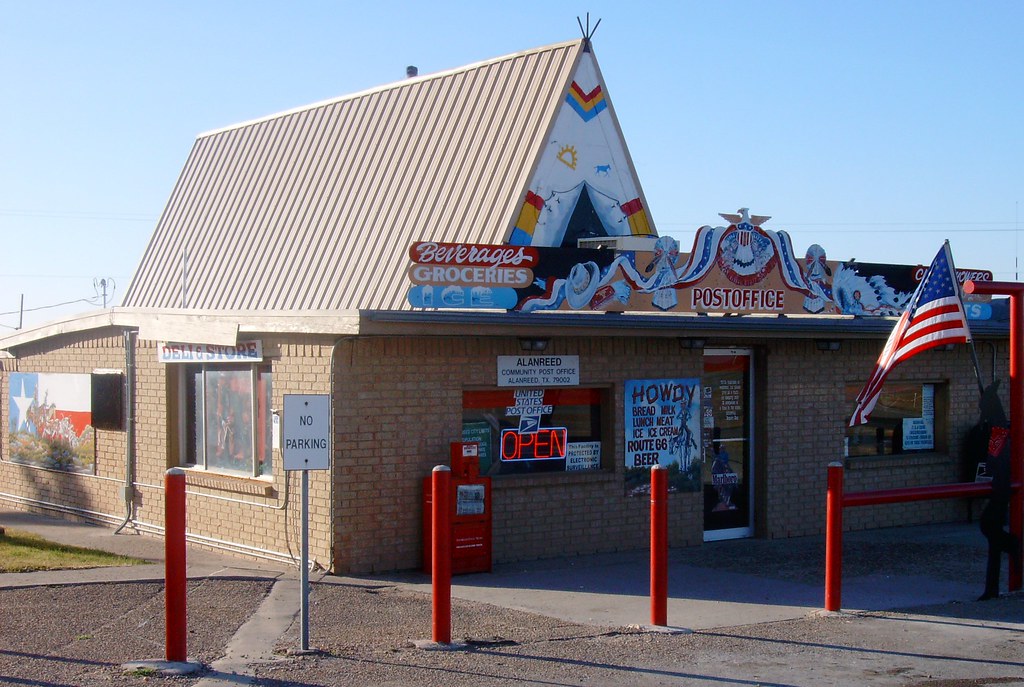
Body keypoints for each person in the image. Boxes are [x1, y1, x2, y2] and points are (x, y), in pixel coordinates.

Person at [976, 383, 1020, 601]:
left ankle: (1015, 547)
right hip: (1000, 485)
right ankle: (991, 587)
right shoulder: (999, 429)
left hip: (1000, 487)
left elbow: (996, 461)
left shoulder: (999, 432)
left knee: (988, 526)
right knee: (993, 542)